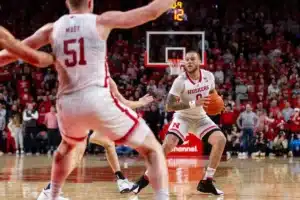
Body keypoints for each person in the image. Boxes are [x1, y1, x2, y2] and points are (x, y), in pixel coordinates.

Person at [0, 0, 176, 199]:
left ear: (67, 2)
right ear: (91, 3)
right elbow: (151, 12)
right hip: (96, 99)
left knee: (66, 148)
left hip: (67, 105)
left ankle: (52, 193)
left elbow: (10, 54)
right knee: (153, 150)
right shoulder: (101, 21)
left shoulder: (52, 29)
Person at [132, 51, 226, 196]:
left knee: (220, 140)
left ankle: (207, 181)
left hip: (201, 117)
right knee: (168, 144)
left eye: (192, 59)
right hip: (183, 117)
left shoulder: (209, 76)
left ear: (199, 61)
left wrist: (218, 103)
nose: (189, 62)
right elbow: (169, 105)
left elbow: (213, 94)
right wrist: (194, 102)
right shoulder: (180, 81)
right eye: (186, 59)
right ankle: (144, 179)